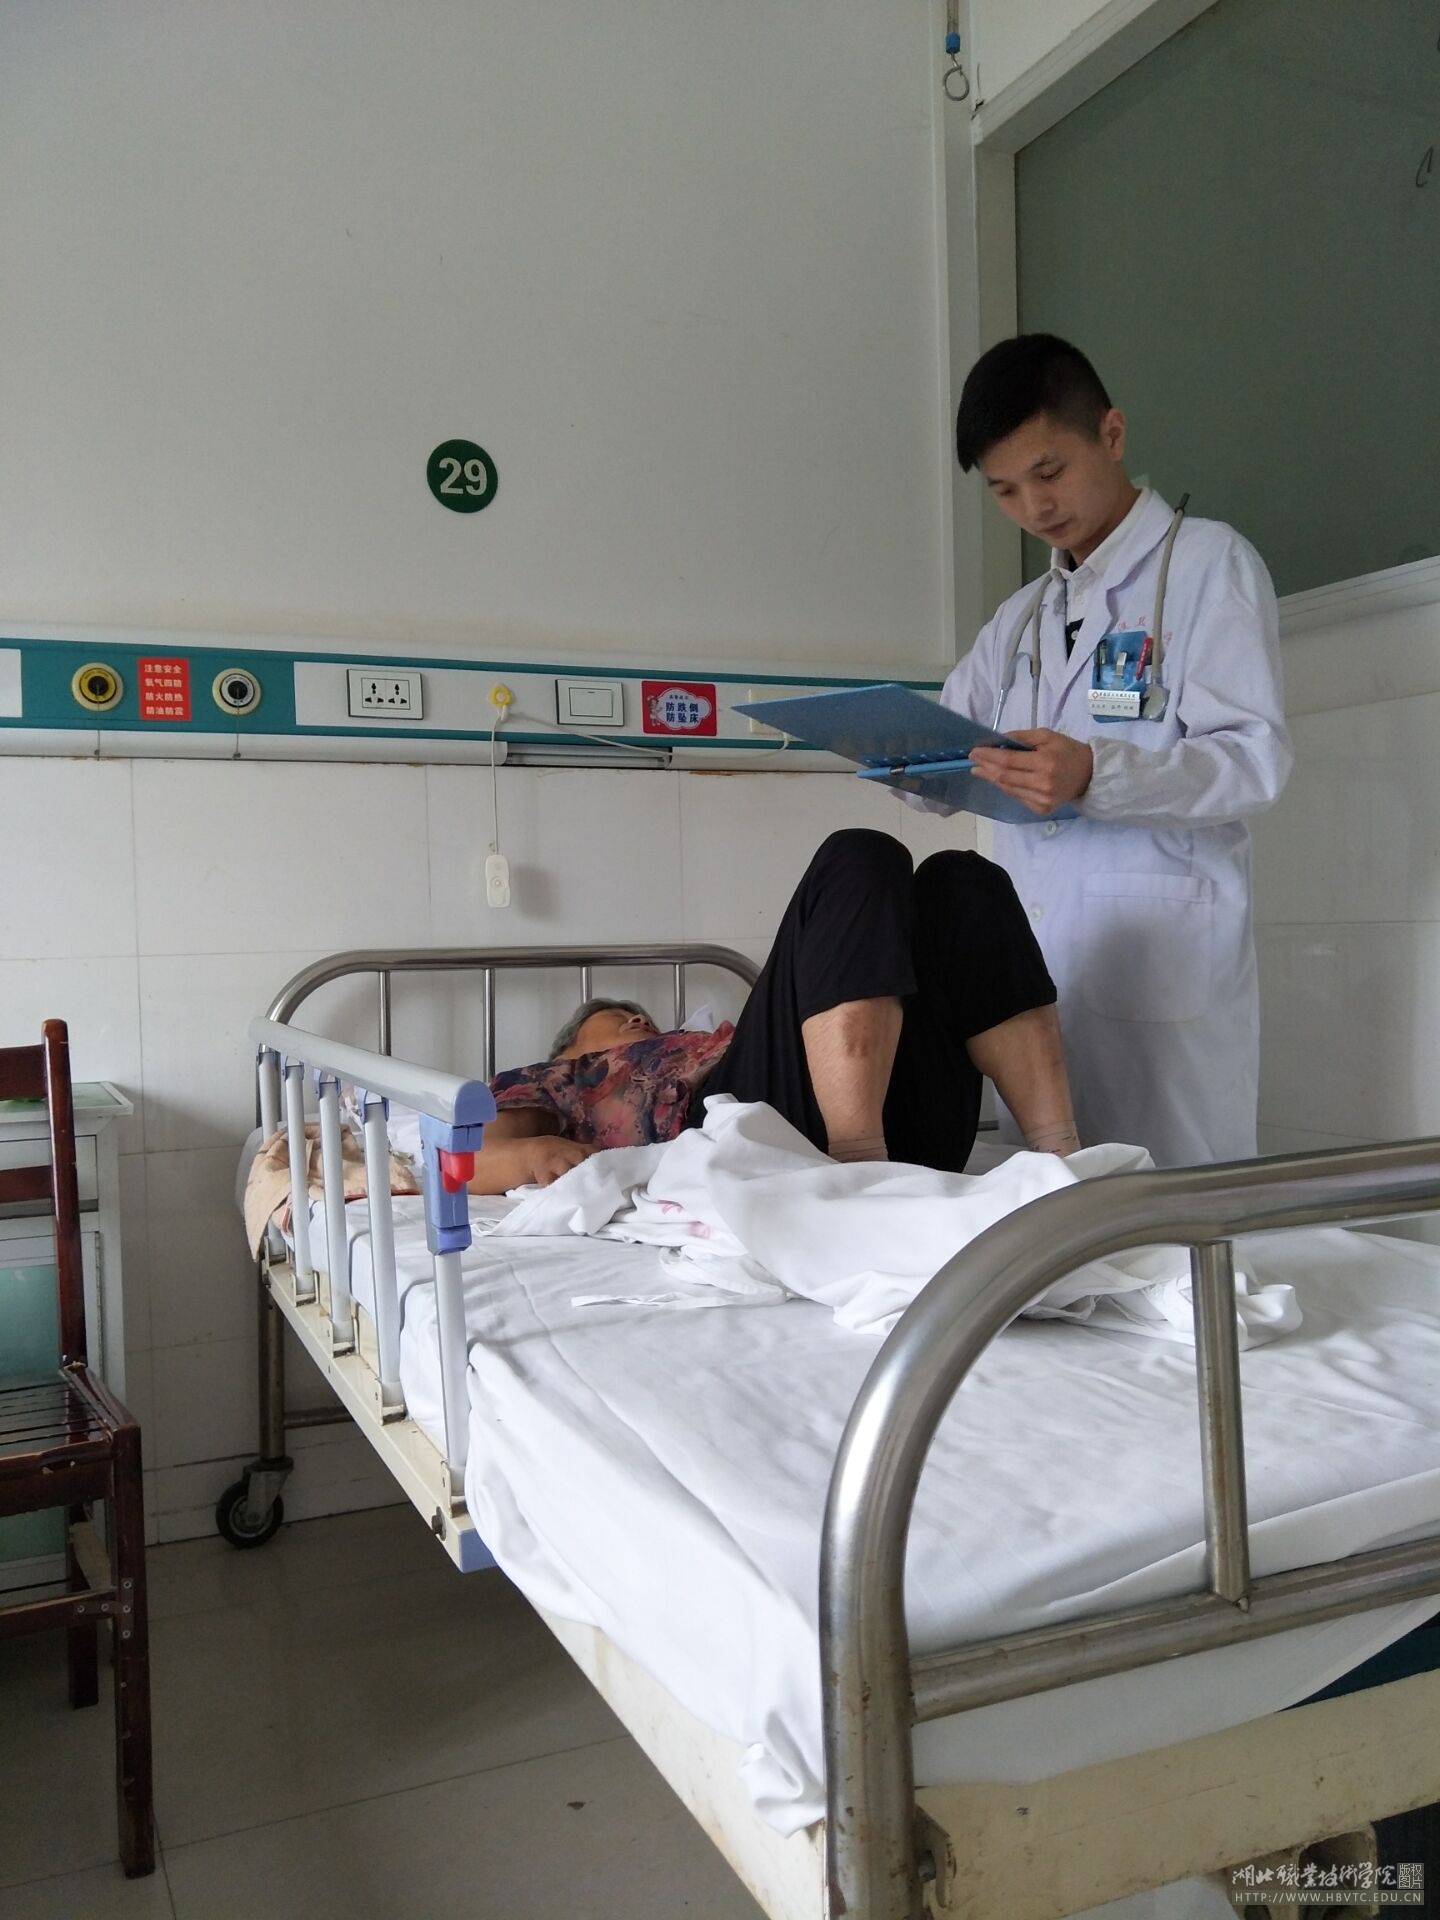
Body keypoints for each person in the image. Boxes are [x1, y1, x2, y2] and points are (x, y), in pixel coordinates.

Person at [915, 334, 1292, 1167]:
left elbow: (1253, 760)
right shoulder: (1020, 619)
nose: (1034, 507)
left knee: (1175, 1210)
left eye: (1048, 472)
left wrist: (1096, 772)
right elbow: (943, 744)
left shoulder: (1208, 566)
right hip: (1037, 975)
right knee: (1054, 1212)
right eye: (1005, 490)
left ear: (1111, 435)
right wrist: (892, 755)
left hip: (1164, 964)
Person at [464, 828, 1078, 1194]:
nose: (635, 1019)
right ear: (568, 1050)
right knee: (860, 853)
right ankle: (857, 1167)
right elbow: (464, 1158)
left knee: (963, 878)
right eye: (614, 1017)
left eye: (641, 1016)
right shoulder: (555, 1082)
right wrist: (530, 1156)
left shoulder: (719, 1043)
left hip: (912, 1131)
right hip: (758, 1141)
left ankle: (1064, 1162)